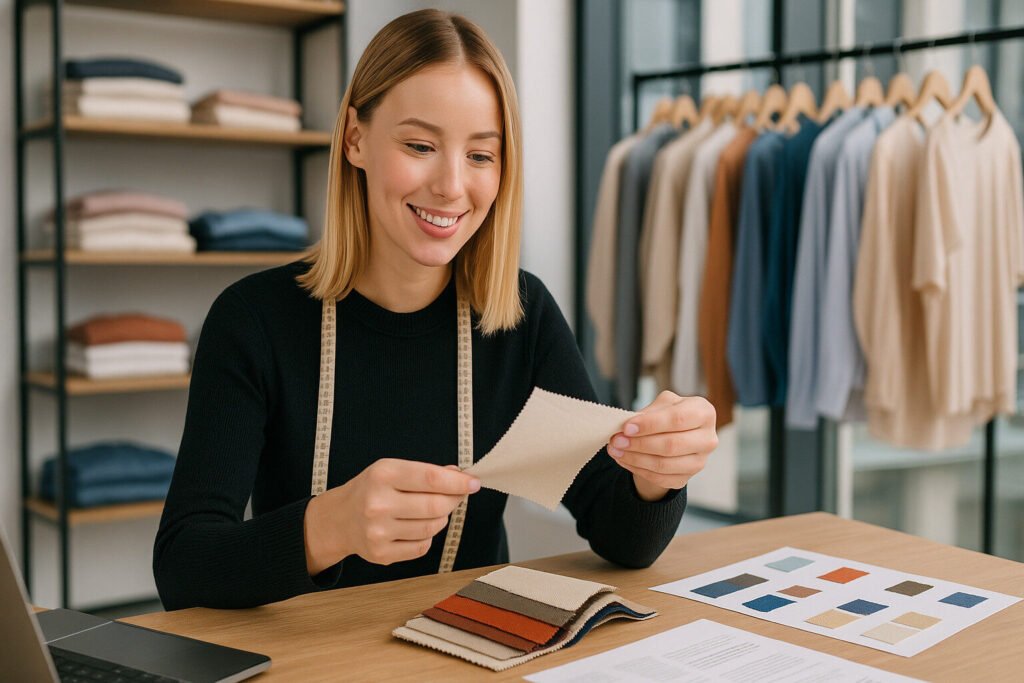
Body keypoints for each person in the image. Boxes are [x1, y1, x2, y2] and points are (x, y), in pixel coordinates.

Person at [153, 9, 717, 611]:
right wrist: (328, 528)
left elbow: (622, 538)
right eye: (420, 145)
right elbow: (184, 567)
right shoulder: (252, 321)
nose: (451, 185)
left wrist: (657, 477)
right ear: (355, 139)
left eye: (481, 155)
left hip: (474, 654)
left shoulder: (522, 317)